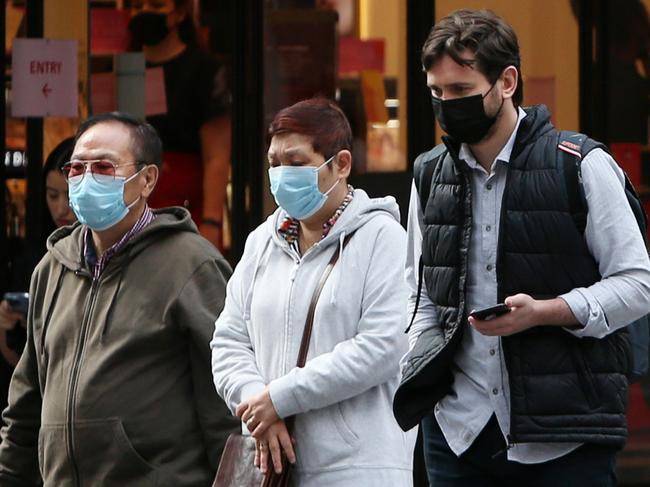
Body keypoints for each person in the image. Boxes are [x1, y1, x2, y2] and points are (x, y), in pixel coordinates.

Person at [392, 9, 650, 487]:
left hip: (563, 435)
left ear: (507, 81)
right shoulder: (430, 174)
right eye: (437, 93)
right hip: (456, 433)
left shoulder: (580, 165)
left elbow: (638, 285)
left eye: (462, 91)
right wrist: (422, 361)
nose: (448, 104)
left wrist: (547, 311)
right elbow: (422, 292)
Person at [0, 112, 238, 485]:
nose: (86, 179)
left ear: (146, 180)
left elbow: (225, 400)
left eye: (104, 167)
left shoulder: (191, 264)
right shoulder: (53, 268)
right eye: (76, 168)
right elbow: (27, 400)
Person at [211, 98, 416, 486]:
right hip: (269, 463)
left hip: (358, 468)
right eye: (274, 163)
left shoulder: (383, 238)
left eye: (296, 162)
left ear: (341, 164)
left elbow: (383, 346)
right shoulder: (261, 243)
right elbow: (228, 341)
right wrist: (259, 407)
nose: (281, 174)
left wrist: (281, 398)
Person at [128, 0, 231, 249]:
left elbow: (216, 156)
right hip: (132, 202)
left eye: (155, 5)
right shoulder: (124, 69)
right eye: (137, 6)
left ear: (179, 14)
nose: (144, 14)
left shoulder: (204, 70)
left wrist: (211, 222)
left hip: (185, 204)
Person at [0, 137, 76, 410]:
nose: (60, 208)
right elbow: (17, 365)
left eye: (68, 195)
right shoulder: (35, 259)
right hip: (41, 403)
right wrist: (5, 325)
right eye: (52, 195)